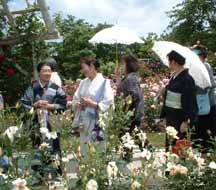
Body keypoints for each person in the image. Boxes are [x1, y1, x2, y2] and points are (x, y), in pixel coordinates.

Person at [21, 60, 67, 176]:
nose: (47, 73)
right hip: (36, 124)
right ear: (39, 73)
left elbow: (63, 103)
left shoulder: (56, 88)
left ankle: (56, 174)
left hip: (52, 123)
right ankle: (39, 175)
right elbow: (24, 103)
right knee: (37, 147)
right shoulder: (32, 87)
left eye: (49, 71)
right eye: (44, 71)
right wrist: (35, 105)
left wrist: (50, 106)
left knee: (54, 147)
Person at [72, 57, 114, 156]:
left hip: (97, 120)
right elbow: (76, 98)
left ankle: (97, 169)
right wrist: (77, 104)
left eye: (84, 67)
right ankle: (86, 168)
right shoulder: (83, 82)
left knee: (97, 146)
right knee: (84, 146)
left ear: (92, 67)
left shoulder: (104, 82)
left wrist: (93, 104)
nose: (83, 71)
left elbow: (109, 101)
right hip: (84, 120)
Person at [160, 51, 198, 150]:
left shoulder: (187, 79)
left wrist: (186, 121)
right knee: (170, 144)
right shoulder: (174, 77)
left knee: (179, 146)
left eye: (169, 62)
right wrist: (165, 91)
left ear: (174, 62)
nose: (169, 65)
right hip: (171, 116)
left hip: (180, 117)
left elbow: (190, 102)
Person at [192, 45, 216, 152]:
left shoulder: (205, 66)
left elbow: (210, 85)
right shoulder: (195, 67)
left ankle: (206, 152)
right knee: (199, 130)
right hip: (201, 104)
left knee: (205, 130)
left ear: (202, 56)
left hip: (207, 104)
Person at [116, 55, 144, 134]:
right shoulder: (128, 77)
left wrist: (129, 110)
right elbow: (121, 90)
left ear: (128, 65)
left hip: (130, 117)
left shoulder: (131, 78)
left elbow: (136, 96)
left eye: (123, 64)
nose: (121, 66)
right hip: (126, 115)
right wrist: (117, 76)